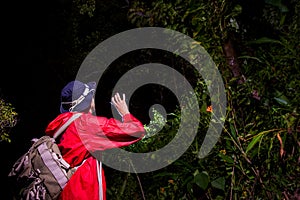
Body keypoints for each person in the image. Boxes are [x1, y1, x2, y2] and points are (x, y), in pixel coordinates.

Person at [45, 80, 146, 200]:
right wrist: (125, 113)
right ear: (88, 101)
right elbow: (136, 131)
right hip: (81, 194)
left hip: (61, 193)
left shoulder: (60, 125)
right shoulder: (87, 125)